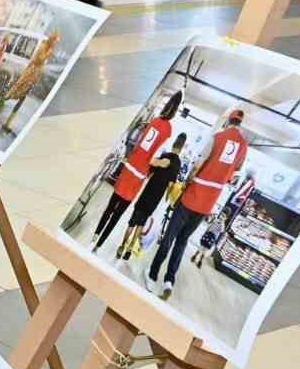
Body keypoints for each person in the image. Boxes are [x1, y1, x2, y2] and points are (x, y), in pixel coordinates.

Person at [147, 109, 249, 300]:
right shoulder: (244, 147)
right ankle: (169, 280)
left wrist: (187, 183)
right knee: (183, 241)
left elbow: (197, 165)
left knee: (169, 237)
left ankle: (152, 274)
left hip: (193, 195)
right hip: (208, 203)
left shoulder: (217, 138)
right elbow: (234, 179)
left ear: (228, 121)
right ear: (240, 125)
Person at [93, 91, 181, 253]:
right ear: (176, 111)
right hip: (138, 177)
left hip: (129, 169)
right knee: (117, 214)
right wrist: (162, 163)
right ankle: (99, 244)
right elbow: (153, 159)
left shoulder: (153, 121)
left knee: (110, 206)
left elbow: (139, 144)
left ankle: (95, 234)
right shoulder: (167, 130)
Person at [116, 133, 187, 261]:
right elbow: (171, 185)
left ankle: (122, 246)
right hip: (156, 196)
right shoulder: (177, 163)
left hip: (147, 191)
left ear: (174, 143)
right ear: (182, 148)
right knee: (141, 223)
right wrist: (166, 197)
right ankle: (131, 248)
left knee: (132, 220)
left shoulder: (164, 156)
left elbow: (150, 172)